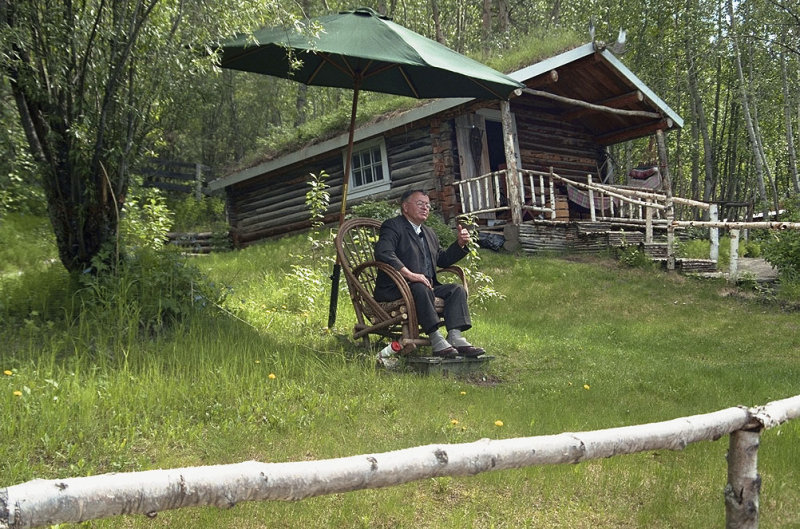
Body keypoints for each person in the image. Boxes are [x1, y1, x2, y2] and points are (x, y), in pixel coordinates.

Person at [373, 189, 485, 358]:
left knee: (456, 290)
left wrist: (460, 244)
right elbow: (384, 252)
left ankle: (455, 336)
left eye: (427, 205)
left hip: (424, 287)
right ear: (405, 207)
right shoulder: (393, 226)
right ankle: (436, 338)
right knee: (420, 286)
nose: (425, 208)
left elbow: (442, 259)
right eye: (420, 204)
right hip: (396, 288)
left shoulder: (429, 233)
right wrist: (409, 274)